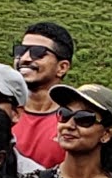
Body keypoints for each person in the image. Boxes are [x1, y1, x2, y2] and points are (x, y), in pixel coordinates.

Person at [7, 22, 77, 168]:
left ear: (62, 67)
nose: (24, 59)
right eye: (21, 51)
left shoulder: (74, 123)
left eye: (38, 52)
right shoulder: (3, 112)